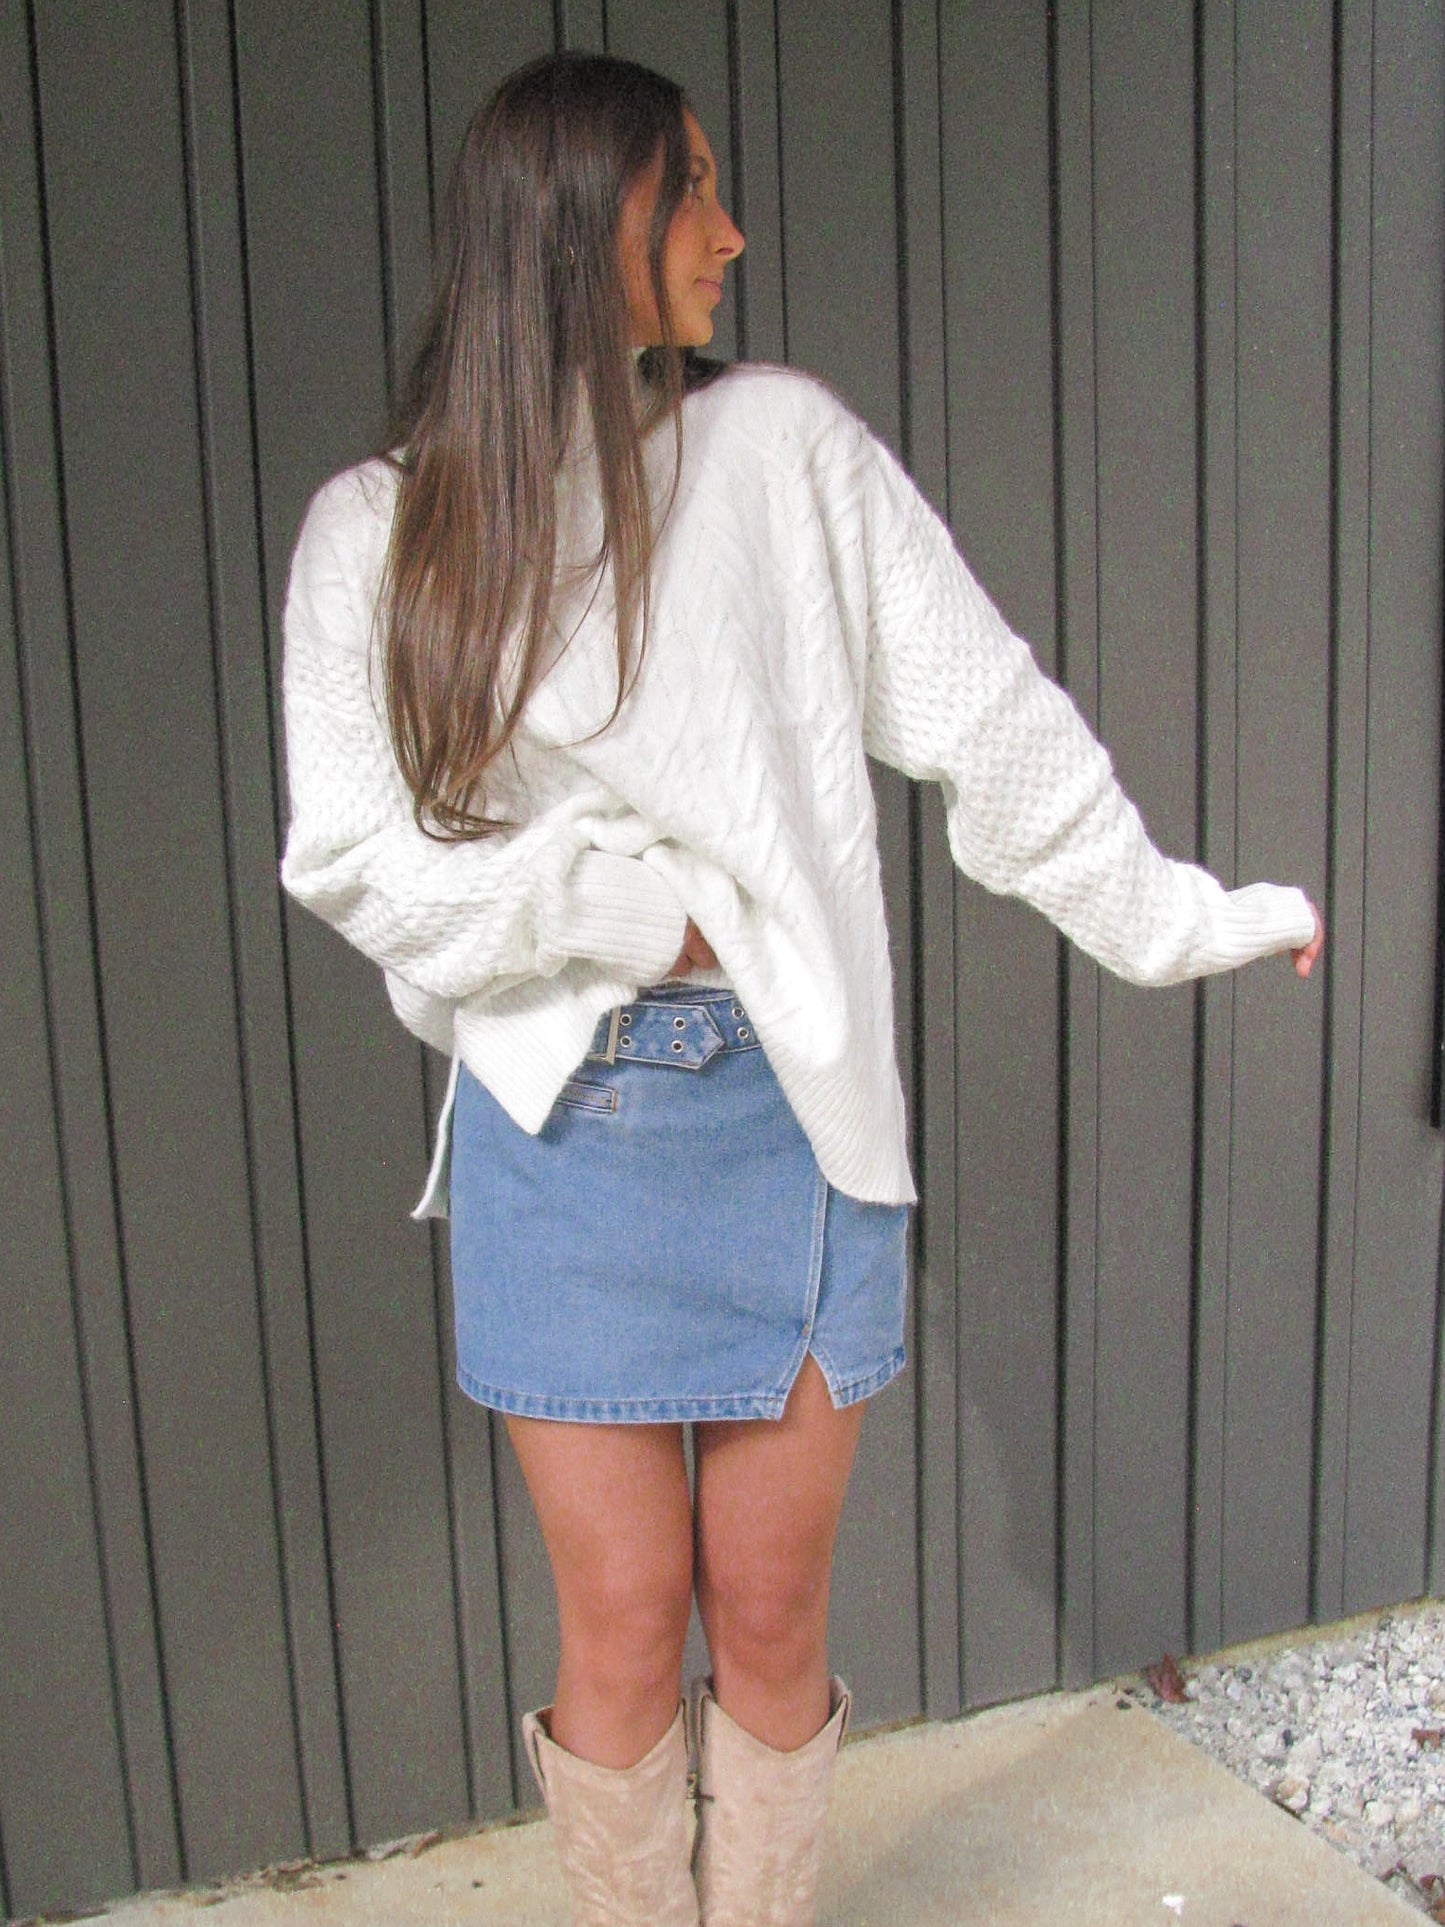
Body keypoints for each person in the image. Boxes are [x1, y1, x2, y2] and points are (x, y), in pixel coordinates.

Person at [280, 50, 1324, 1927]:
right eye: (691, 193)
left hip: (791, 1105)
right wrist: (640, 921)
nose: (732, 237)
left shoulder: (782, 453)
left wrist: (1170, 916)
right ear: (577, 219)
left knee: (765, 1617)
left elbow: (984, 722)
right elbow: (360, 867)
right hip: (559, 1129)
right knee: (619, 1626)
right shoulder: (375, 535)